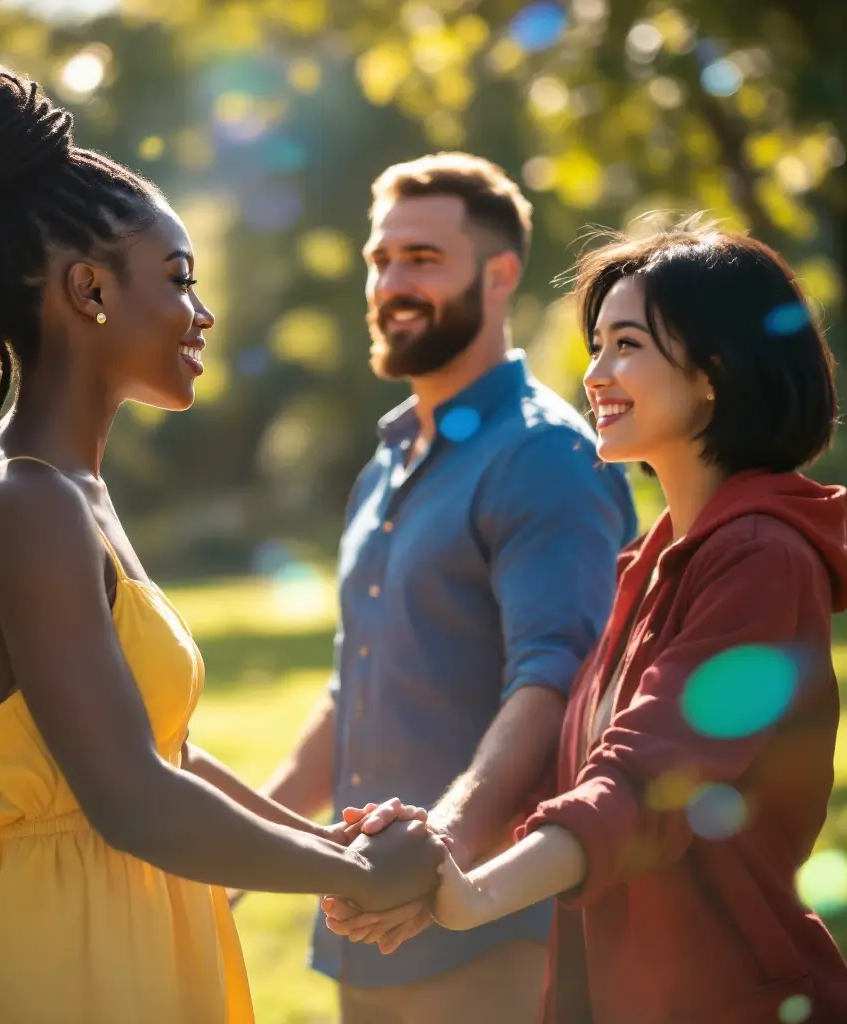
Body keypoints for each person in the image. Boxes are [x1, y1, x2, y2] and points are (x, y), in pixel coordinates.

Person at [0, 68, 444, 1024]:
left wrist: (336, 850)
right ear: (89, 289)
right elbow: (134, 799)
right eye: (180, 278)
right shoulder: (29, 501)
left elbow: (161, 750)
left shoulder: (73, 491)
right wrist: (348, 870)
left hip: (132, 920)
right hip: (65, 958)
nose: (202, 312)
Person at [345, 224, 847, 1023]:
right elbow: (578, 780)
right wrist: (435, 850)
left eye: (627, 344)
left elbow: (648, 781)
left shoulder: (760, 560)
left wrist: (472, 898)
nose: (596, 374)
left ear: (714, 370)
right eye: (597, 345)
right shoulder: (649, 563)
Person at [263, 152, 637, 1023]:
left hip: (492, 932)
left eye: (422, 259)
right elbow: (353, 685)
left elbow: (557, 677)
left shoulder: (546, 456)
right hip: (368, 930)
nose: (391, 282)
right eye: (380, 259)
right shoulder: (385, 462)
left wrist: (437, 857)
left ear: (500, 274)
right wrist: (249, 856)